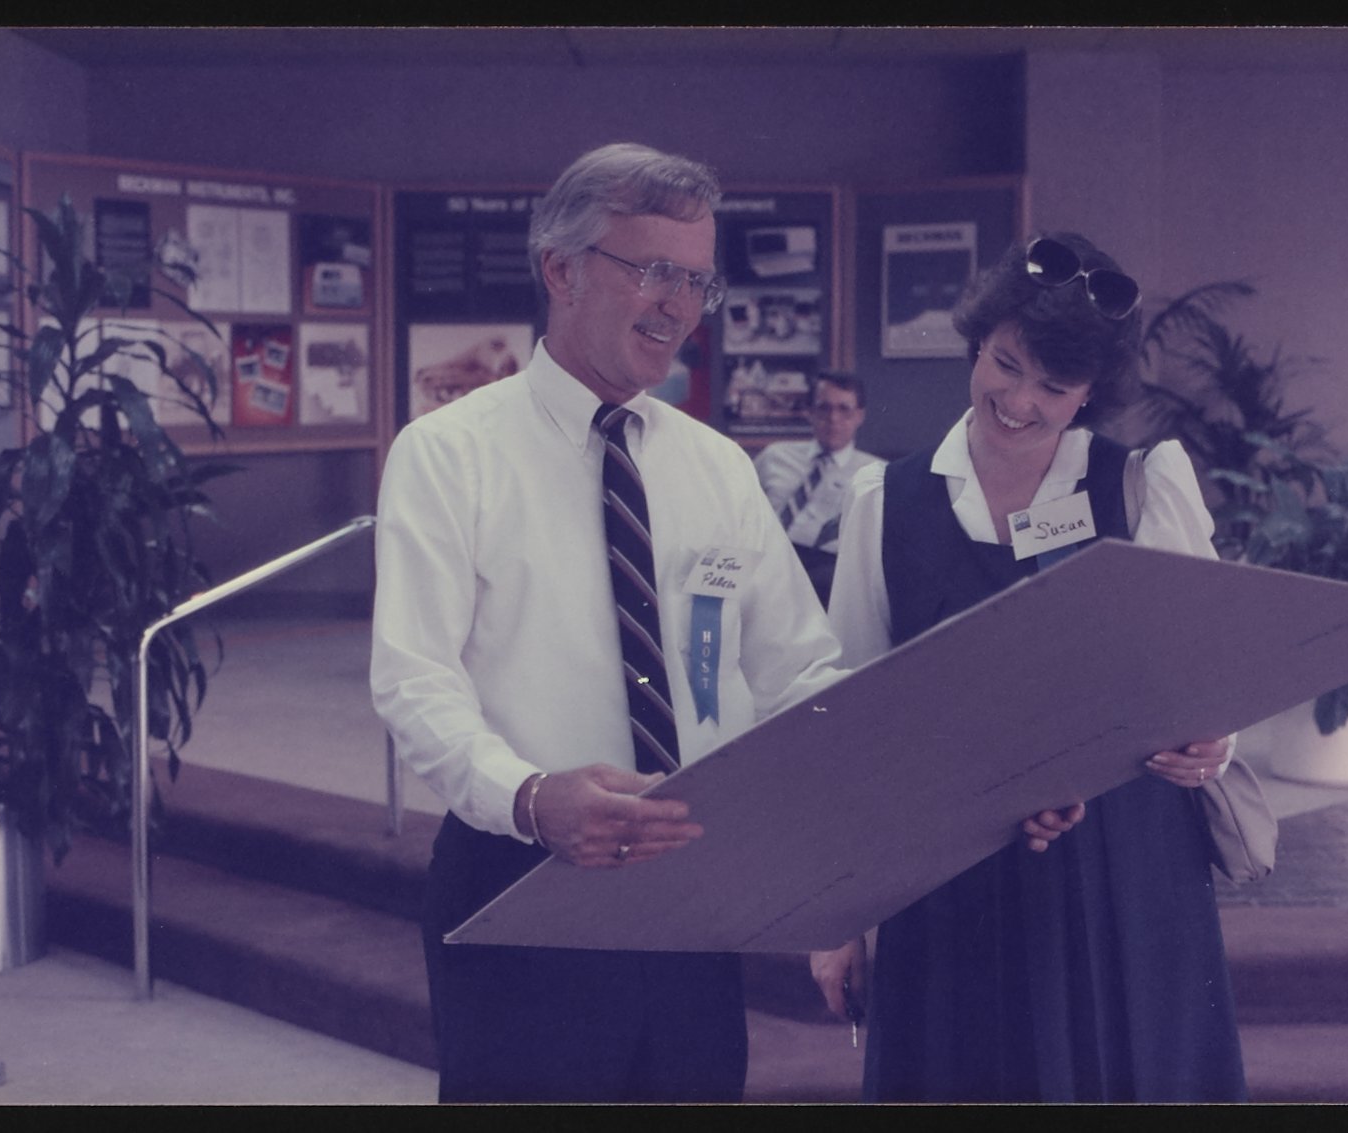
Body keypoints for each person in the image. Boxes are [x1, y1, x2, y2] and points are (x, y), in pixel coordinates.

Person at [369, 142, 849, 1103]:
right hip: (519, 883)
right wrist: (530, 796)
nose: (680, 306)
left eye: (698, 280)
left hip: (692, 893)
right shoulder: (447, 453)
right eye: (655, 270)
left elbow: (801, 671)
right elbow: (414, 677)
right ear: (562, 269)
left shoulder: (717, 466)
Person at [809, 233, 1248, 1103]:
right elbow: (849, 713)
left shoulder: (1141, 485)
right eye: (1006, 365)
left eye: (1054, 386)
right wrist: (838, 913)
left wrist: (1213, 742)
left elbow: (1207, 670)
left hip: (1121, 861)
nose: (1017, 401)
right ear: (977, 341)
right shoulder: (885, 501)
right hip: (949, 862)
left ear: (1090, 393)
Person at [752, 372, 883, 605]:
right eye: (824, 408)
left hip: (827, 571)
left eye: (844, 409)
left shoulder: (876, 473)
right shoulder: (775, 456)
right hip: (765, 556)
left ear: (859, 416)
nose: (833, 418)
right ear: (810, 412)